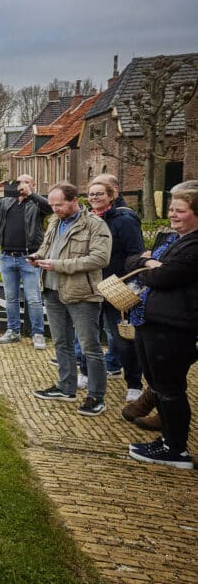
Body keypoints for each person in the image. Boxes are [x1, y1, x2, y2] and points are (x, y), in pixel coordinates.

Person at [125, 180, 198, 469]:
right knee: (158, 384)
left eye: (180, 210)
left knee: (170, 389)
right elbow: (138, 264)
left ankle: (176, 450)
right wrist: (152, 266)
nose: (172, 214)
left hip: (173, 326)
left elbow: (163, 277)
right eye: (171, 209)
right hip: (153, 323)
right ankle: (168, 439)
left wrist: (153, 266)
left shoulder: (194, 246)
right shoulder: (176, 241)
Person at [29, 183, 112, 416]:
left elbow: (99, 258)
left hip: (82, 293)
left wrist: (59, 266)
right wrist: (37, 257)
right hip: (52, 290)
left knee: (90, 347)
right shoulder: (55, 222)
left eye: (59, 205)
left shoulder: (95, 225)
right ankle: (66, 388)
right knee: (61, 342)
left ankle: (96, 396)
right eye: (52, 205)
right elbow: (47, 248)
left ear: (75, 200)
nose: (54, 209)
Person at [86, 180, 144, 403]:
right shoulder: (88, 219)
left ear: (111, 196)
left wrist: (133, 282)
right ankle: (87, 373)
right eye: (91, 194)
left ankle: (134, 382)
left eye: (100, 194)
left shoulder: (124, 220)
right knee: (87, 336)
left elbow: (135, 252)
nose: (95, 197)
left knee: (121, 337)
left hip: (114, 286)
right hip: (90, 286)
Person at [0, 174, 52, 348]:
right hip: (6, 257)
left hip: (29, 258)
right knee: (10, 298)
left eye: (26, 182)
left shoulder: (36, 203)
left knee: (33, 298)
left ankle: (38, 333)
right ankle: (13, 331)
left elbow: (50, 209)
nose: (21, 185)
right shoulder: (6, 202)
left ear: (33, 185)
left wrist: (31, 194)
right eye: (19, 182)